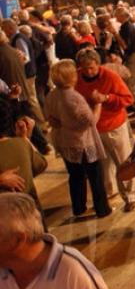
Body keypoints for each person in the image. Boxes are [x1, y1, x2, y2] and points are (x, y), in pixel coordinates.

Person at [45, 59, 111, 218]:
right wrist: (98, 104)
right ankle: (102, 209)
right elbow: (91, 121)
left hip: (65, 141)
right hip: (82, 142)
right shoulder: (73, 97)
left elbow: (51, 119)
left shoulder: (52, 95)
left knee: (75, 176)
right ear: (71, 77)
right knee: (95, 176)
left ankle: (79, 208)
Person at [74, 48, 135, 213]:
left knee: (123, 161)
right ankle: (110, 192)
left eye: (92, 68)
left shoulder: (110, 76)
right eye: (85, 68)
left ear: (98, 64)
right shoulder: (76, 77)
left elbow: (128, 99)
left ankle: (130, 197)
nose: (88, 72)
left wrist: (106, 98)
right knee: (103, 165)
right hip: (92, 129)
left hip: (113, 125)